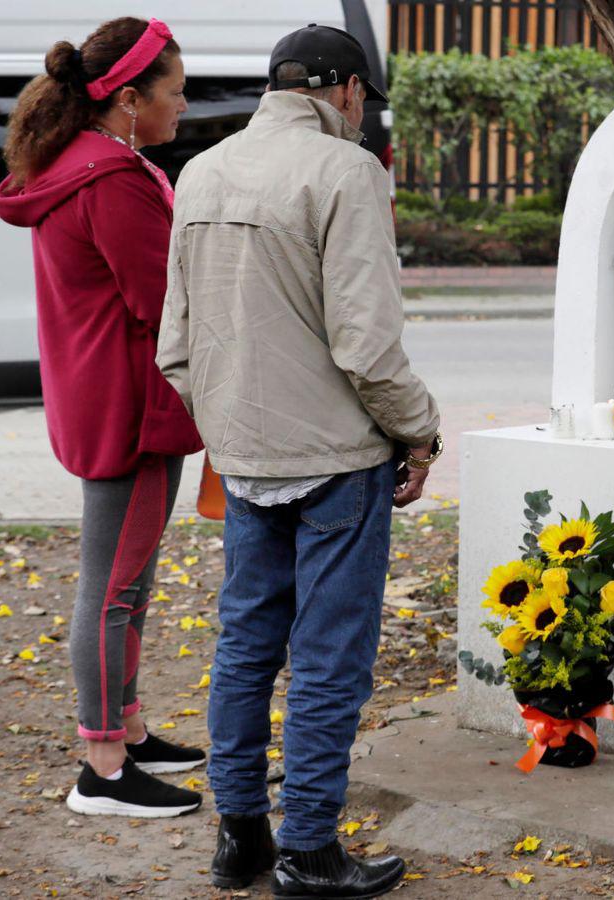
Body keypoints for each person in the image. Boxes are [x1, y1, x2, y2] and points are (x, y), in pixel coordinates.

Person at [157, 23, 440, 897]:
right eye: (364, 103)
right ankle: (311, 850)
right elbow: (366, 345)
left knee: (245, 644)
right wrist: (418, 430)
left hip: (243, 458)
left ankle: (240, 837)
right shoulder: (348, 173)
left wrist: (230, 424)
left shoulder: (202, 169)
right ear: (347, 93)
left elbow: (176, 345)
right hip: (335, 460)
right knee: (328, 657)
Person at [0, 16, 207, 818]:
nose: (183, 107)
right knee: (113, 590)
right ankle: (105, 768)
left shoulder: (80, 162)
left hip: (105, 395)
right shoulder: (112, 178)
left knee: (125, 582)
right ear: (127, 100)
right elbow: (166, 303)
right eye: (176, 93)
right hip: (132, 407)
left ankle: (129, 728)